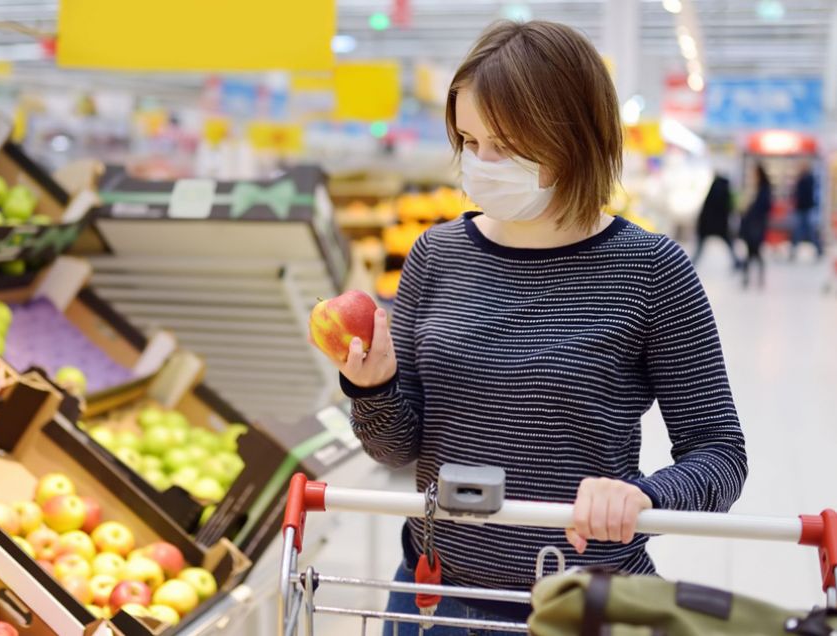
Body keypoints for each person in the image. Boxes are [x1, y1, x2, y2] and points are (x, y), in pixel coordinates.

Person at [310, 21, 747, 636]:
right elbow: (398, 450)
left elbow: (720, 452)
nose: (482, 164)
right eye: (469, 139)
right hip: (431, 598)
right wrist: (374, 388)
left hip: (581, 605)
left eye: (509, 145)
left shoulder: (650, 269)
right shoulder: (436, 255)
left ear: (576, 138)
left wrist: (645, 497)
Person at [693, 170, 738, 267]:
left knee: (699, 249)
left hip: (708, 225)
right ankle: (737, 262)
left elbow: (706, 208)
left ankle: (689, 264)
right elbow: (728, 208)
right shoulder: (725, 190)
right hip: (720, 225)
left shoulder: (714, 188)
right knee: (729, 245)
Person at [739, 164, 772, 289]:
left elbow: (764, 207)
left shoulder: (764, 190)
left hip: (756, 225)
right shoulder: (758, 188)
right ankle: (750, 278)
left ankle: (753, 278)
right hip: (753, 224)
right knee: (751, 252)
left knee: (755, 252)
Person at [790, 160, 823, 260]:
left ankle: (819, 249)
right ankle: (793, 250)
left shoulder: (809, 179)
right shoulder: (802, 179)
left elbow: (806, 195)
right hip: (801, 209)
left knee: (810, 231)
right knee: (798, 231)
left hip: (806, 209)